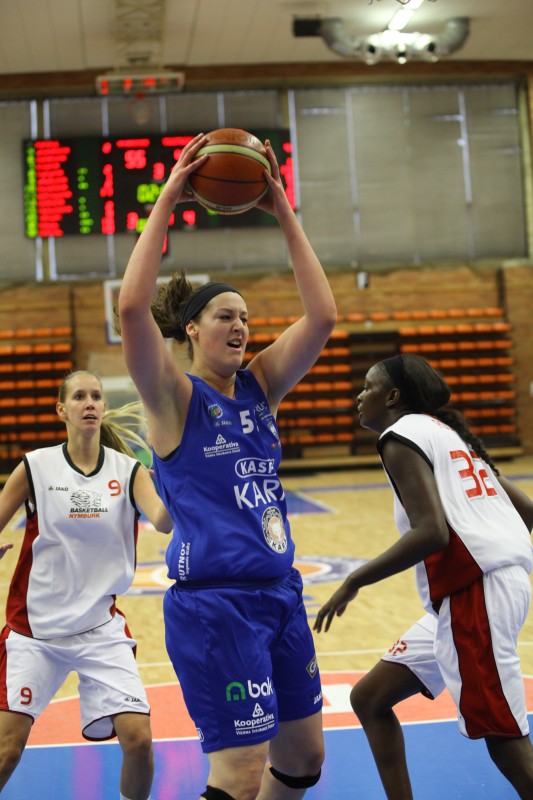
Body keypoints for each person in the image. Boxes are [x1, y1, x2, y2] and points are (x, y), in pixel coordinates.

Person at [117, 133, 337, 800]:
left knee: (303, 761)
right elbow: (130, 308)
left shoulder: (260, 385)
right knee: (239, 772)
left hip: (279, 594)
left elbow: (322, 317)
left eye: (245, 316)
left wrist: (282, 209)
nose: (240, 325)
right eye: (224, 316)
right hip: (216, 607)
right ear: (191, 329)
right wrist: (168, 198)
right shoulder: (173, 397)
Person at [314, 353, 533, 799]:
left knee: (503, 735)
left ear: (393, 397)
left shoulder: (400, 435)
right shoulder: (448, 434)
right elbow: (527, 512)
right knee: (370, 699)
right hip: (479, 591)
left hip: (475, 593)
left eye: (369, 387)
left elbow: (431, 531)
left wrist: (355, 580)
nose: (360, 395)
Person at [0, 370, 173, 800]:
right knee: (6, 751)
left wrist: (178, 479)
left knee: (140, 742)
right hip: (34, 633)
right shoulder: (36, 466)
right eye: (79, 396)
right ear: (62, 409)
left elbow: (163, 520)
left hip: (99, 629)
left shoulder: (129, 471)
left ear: (104, 407)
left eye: (96, 395)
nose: (90, 402)